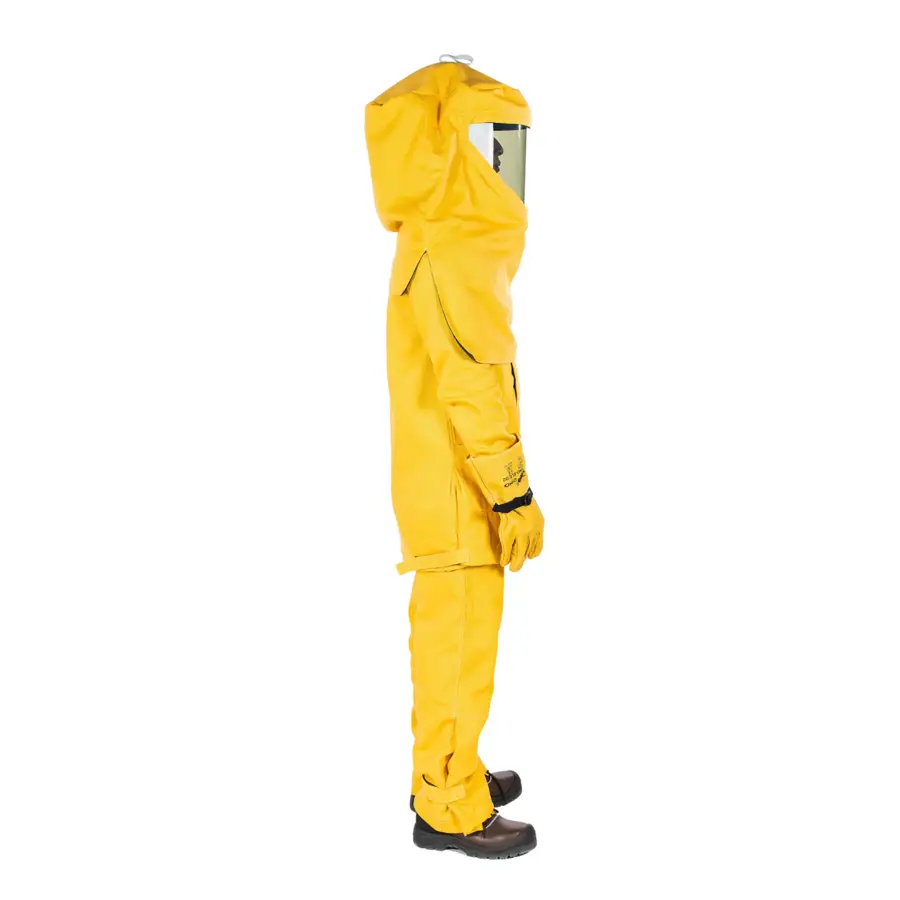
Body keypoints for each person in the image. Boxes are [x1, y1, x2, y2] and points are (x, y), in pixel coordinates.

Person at [365, 57, 543, 860]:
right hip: (462, 486)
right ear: (455, 149)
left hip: (441, 479)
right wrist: (512, 493)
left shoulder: (432, 233)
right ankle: (448, 801)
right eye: (494, 143)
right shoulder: (460, 243)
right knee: (461, 642)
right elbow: (475, 377)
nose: (507, 166)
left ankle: (447, 766)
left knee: (451, 638)